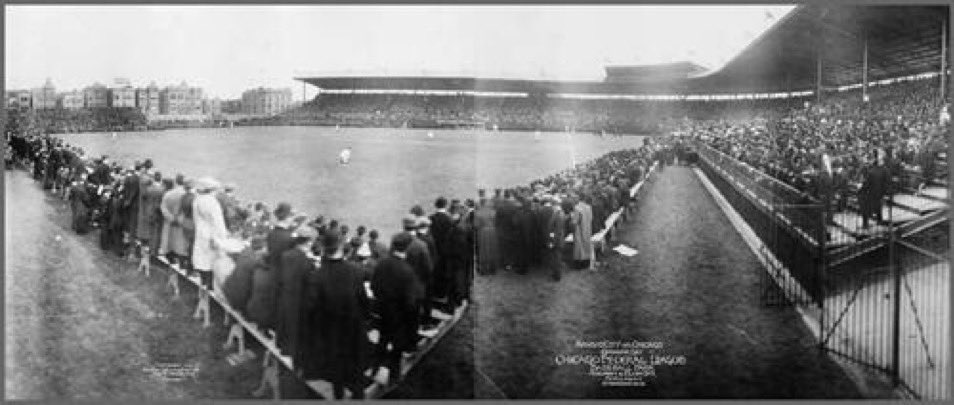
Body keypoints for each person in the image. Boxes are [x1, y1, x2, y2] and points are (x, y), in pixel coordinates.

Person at [302, 230, 370, 399]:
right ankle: (359, 395)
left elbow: (310, 308)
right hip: (354, 328)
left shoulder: (316, 275)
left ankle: (339, 396)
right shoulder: (355, 271)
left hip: (331, 331)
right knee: (356, 368)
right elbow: (363, 302)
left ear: (324, 248)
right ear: (341, 247)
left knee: (337, 369)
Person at [369, 233, 419, 387]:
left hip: (383, 310)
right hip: (399, 316)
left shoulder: (382, 263)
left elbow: (373, 286)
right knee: (397, 348)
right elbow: (410, 303)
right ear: (407, 248)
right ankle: (394, 378)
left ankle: (374, 369)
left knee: (382, 340)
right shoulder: (408, 271)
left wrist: (383, 301)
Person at [276, 225, 318, 364]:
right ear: (307, 242)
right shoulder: (307, 263)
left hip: (285, 299)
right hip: (298, 303)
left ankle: (284, 349)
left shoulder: (285, 256)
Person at [191, 177, 229, 290]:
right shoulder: (212, 202)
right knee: (212, 259)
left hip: (201, 230)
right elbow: (218, 222)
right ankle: (211, 285)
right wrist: (223, 237)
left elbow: (195, 218)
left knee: (202, 257)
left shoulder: (197, 200)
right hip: (212, 232)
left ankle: (203, 281)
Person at [159, 175, 188, 265]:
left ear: (176, 181)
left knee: (168, 238)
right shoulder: (186, 194)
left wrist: (170, 218)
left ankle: (170, 256)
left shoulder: (169, 193)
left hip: (169, 221)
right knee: (180, 240)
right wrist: (179, 219)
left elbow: (163, 207)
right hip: (181, 221)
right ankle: (180, 259)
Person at [475, 192, 500, 275]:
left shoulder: (478, 213)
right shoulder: (493, 212)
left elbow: (476, 225)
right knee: (493, 249)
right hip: (493, 231)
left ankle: (484, 269)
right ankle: (493, 268)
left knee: (483, 250)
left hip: (483, 231)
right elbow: (497, 222)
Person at [570, 195, 594, 270]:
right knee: (586, 244)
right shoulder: (588, 207)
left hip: (579, 230)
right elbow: (591, 218)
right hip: (587, 228)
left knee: (579, 246)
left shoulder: (577, 208)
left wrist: (571, 218)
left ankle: (579, 264)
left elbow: (575, 221)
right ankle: (587, 261)